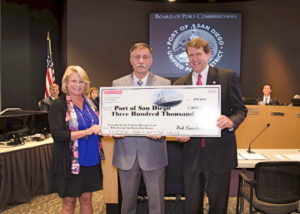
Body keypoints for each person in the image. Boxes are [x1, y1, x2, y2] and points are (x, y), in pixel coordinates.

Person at [173, 38, 248, 214]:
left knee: (219, 206)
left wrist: (231, 122)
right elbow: (177, 118)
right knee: (191, 207)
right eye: (190, 55)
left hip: (219, 154)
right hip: (191, 154)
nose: (194, 59)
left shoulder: (227, 76)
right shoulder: (179, 85)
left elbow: (240, 110)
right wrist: (178, 132)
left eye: (198, 54)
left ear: (209, 54)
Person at [112, 43, 171, 214]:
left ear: (151, 60)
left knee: (156, 204)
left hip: (154, 151)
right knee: (127, 204)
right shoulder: (117, 84)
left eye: (145, 57)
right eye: (137, 57)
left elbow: (169, 117)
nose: (141, 61)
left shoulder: (164, 84)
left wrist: (161, 132)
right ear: (131, 60)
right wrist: (114, 130)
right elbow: (114, 115)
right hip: (126, 152)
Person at [48, 65, 103, 214]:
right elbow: (58, 135)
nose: (78, 85)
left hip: (91, 159)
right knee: (69, 202)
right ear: (66, 83)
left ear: (86, 84)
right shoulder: (58, 105)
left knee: (87, 199)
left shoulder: (93, 104)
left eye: (81, 81)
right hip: (69, 161)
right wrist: (87, 131)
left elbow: (102, 127)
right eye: (74, 81)